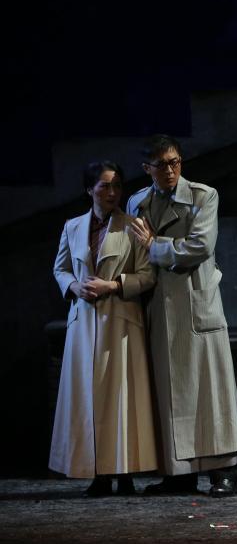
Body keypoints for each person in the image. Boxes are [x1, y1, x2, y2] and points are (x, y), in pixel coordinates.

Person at [126, 135, 237, 497]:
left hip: (195, 304)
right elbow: (134, 254)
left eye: (175, 162)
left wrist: (154, 245)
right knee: (170, 392)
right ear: (147, 168)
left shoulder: (202, 196)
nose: (170, 170)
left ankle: (224, 471)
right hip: (159, 307)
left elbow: (200, 246)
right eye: (161, 164)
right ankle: (178, 474)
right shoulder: (138, 202)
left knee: (210, 389)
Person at [50, 161, 158, 496]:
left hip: (121, 322)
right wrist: (74, 286)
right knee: (88, 399)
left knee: (121, 398)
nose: (112, 193)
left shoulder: (133, 226)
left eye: (117, 186)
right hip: (84, 323)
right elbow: (61, 269)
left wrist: (113, 285)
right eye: (104, 186)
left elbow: (148, 275)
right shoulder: (73, 227)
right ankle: (97, 473)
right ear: (89, 189)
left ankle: (124, 472)